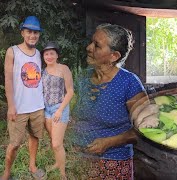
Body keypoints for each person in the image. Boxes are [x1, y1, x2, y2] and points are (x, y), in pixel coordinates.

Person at [72, 23, 147, 179]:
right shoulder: (81, 78)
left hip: (113, 164)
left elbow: (145, 129)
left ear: (114, 56)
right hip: (76, 162)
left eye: (97, 46)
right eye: (91, 42)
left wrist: (109, 142)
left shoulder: (129, 83)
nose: (89, 47)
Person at [1, 16, 46, 180]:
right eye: (29, 32)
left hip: (37, 106)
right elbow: (8, 79)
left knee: (34, 137)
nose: (32, 35)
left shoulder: (38, 53)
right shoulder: (12, 51)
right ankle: (6, 172)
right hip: (18, 107)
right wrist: (11, 105)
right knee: (14, 144)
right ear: (22, 32)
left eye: (36, 32)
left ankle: (32, 166)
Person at [41, 41, 74, 179]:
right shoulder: (43, 71)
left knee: (56, 143)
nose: (49, 56)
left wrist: (60, 110)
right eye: (46, 54)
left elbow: (70, 91)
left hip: (59, 108)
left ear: (57, 55)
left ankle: (62, 174)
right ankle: (57, 163)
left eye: (52, 53)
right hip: (46, 109)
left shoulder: (63, 69)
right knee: (53, 140)